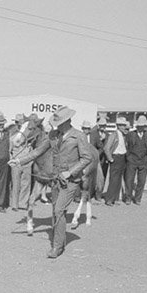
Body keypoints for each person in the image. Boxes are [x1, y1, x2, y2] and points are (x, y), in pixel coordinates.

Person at [47, 106, 91, 259]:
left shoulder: (78, 136)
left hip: (70, 181)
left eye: (59, 122)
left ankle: (57, 247)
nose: (57, 125)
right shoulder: (54, 135)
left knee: (59, 210)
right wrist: (19, 161)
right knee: (56, 212)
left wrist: (70, 172)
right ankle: (60, 241)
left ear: (67, 121)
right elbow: (38, 151)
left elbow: (86, 158)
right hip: (55, 180)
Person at [20, 114, 53, 237]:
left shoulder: (51, 134)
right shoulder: (37, 139)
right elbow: (36, 152)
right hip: (40, 167)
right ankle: (29, 222)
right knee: (32, 196)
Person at [70, 120, 101, 230]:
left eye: (87, 128)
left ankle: (78, 214)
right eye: (84, 128)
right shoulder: (79, 136)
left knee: (90, 183)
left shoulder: (93, 137)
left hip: (89, 160)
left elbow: (98, 147)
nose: (86, 130)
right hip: (77, 159)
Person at [124, 114, 147, 205]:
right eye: (139, 126)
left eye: (143, 126)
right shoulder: (130, 135)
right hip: (132, 160)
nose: (141, 128)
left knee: (141, 181)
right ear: (137, 126)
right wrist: (128, 157)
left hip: (143, 161)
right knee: (129, 180)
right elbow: (126, 146)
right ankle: (128, 198)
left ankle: (138, 198)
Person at [102, 115, 129, 205]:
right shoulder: (114, 135)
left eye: (124, 125)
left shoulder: (123, 135)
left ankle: (115, 198)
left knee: (118, 179)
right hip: (116, 157)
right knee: (114, 179)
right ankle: (109, 199)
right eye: (122, 125)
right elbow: (106, 148)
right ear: (118, 126)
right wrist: (111, 159)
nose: (124, 127)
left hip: (122, 158)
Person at [8, 114, 32, 210]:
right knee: (15, 183)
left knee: (26, 183)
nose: (18, 124)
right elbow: (9, 150)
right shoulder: (12, 134)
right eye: (17, 122)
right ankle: (14, 204)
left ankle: (23, 203)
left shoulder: (29, 135)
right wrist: (11, 159)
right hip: (16, 161)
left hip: (26, 161)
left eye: (20, 122)